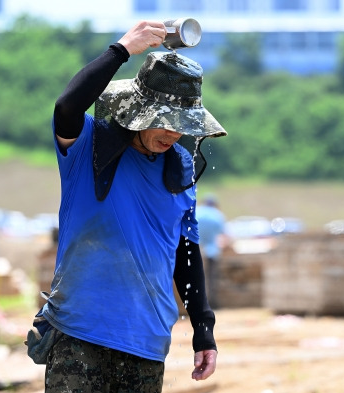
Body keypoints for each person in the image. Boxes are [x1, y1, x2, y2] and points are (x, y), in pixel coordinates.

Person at [28, 20, 227, 393]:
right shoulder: (89, 147)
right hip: (79, 335)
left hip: (147, 345)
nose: (172, 133)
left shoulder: (180, 168)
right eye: (163, 122)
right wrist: (121, 50)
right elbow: (66, 106)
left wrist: (204, 328)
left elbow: (185, 251)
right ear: (140, 112)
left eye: (181, 124)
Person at [196, 194, 227, 309]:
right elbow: (225, 236)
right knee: (212, 279)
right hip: (212, 252)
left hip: (196, 251)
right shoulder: (217, 215)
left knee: (197, 278)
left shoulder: (197, 212)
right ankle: (212, 303)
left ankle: (198, 303)